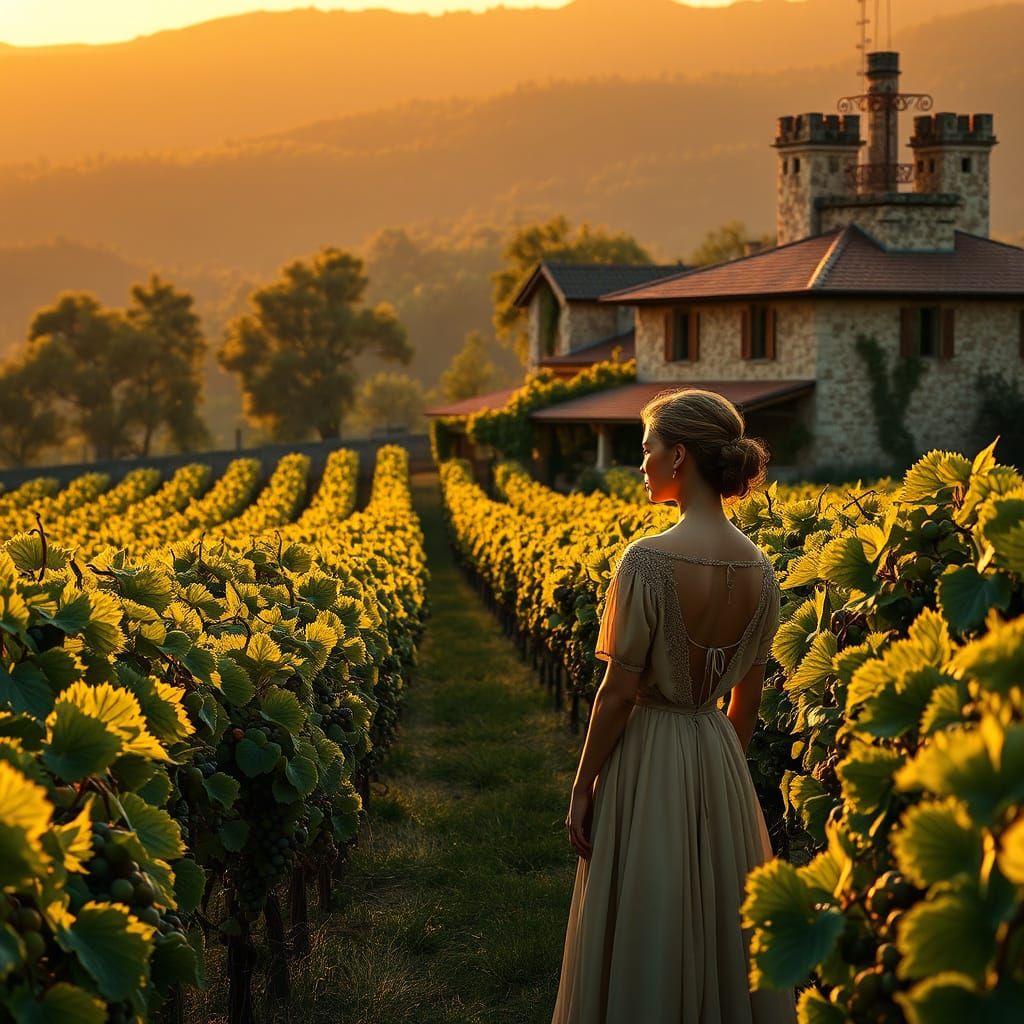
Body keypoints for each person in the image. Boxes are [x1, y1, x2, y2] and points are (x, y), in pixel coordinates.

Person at [550, 388, 798, 1024]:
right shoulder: (763, 571)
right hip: (717, 754)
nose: (641, 464)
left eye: (647, 449)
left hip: (650, 750)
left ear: (679, 456)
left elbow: (619, 692)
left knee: (644, 915)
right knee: (719, 923)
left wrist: (582, 785)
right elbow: (749, 697)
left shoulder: (646, 560)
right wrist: (718, 774)